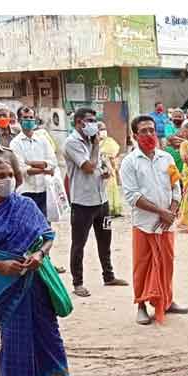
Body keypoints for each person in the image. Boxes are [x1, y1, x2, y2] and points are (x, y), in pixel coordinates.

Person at [0, 157, 93, 376]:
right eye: (2, 175)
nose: (8, 179)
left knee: (49, 332)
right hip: (3, 284)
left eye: (11, 174)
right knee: (14, 337)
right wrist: (0, 266)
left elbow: (47, 236)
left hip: (36, 277)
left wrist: (40, 255)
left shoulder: (26, 204)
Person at [120, 115, 188, 325]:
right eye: (144, 131)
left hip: (166, 225)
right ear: (135, 135)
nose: (149, 134)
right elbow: (132, 196)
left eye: (152, 130)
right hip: (144, 224)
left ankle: (166, 301)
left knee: (167, 264)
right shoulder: (129, 163)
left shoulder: (166, 158)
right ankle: (141, 304)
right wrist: (161, 211)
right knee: (142, 265)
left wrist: (172, 211)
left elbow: (177, 186)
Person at [63, 107, 128, 297]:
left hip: (102, 201)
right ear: (78, 123)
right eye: (89, 121)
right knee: (79, 244)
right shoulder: (72, 143)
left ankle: (109, 275)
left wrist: (105, 171)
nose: (93, 125)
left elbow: (98, 167)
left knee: (105, 239)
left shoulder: (92, 142)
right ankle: (78, 283)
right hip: (83, 203)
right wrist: (97, 147)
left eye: (94, 120)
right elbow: (88, 167)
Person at [10, 107, 58, 219]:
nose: (29, 120)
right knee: (28, 224)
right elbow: (22, 169)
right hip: (26, 192)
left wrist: (30, 163)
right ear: (19, 120)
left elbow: (53, 162)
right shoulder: (15, 143)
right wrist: (44, 169)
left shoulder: (43, 139)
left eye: (31, 117)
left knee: (45, 224)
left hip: (45, 190)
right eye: (25, 118)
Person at [98, 122, 123, 218]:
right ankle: (105, 209)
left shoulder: (110, 141)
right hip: (100, 168)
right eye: (101, 129)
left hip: (109, 167)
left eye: (104, 129)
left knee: (113, 188)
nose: (103, 131)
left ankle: (114, 210)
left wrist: (112, 164)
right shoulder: (94, 142)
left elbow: (115, 153)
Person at [164, 109, 186, 174]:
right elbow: (170, 138)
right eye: (175, 116)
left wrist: (175, 140)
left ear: (183, 118)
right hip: (171, 153)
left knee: (182, 174)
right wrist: (183, 140)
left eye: (179, 117)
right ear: (172, 118)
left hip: (182, 155)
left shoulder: (186, 128)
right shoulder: (168, 127)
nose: (177, 118)